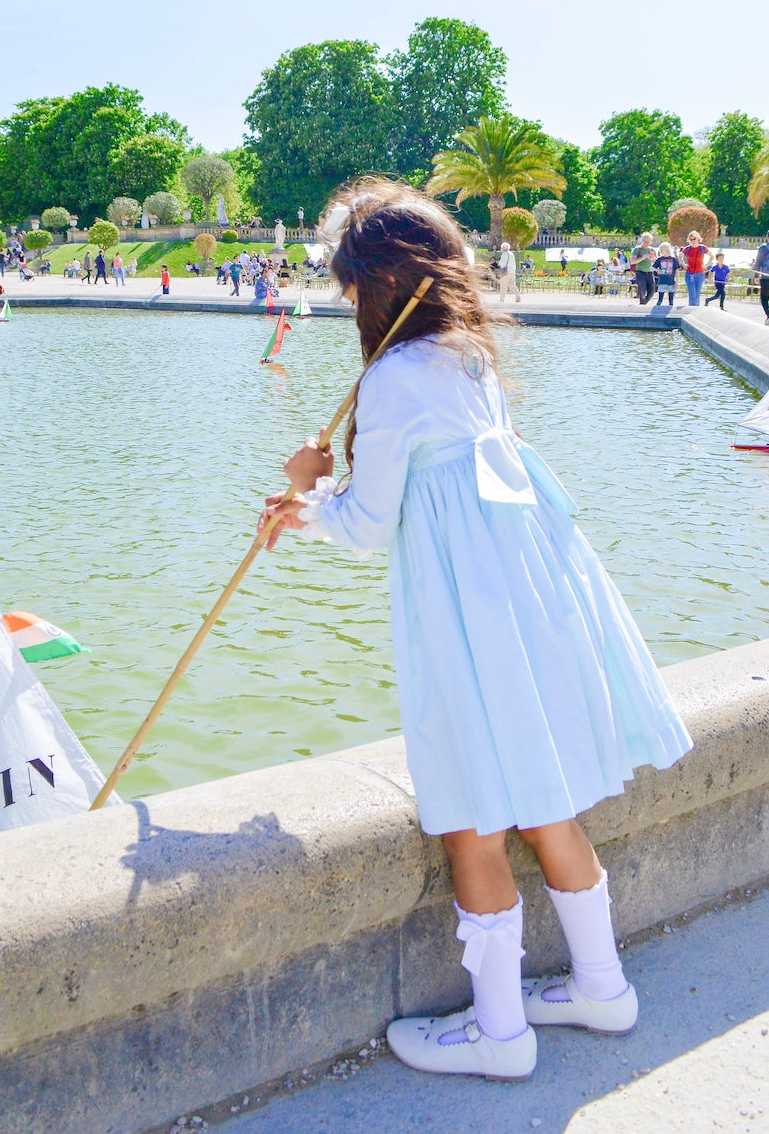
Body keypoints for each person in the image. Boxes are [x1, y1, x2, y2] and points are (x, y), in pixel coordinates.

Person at [260, 180, 692, 1083]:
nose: (344, 301)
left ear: (376, 285)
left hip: (462, 617)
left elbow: (372, 524)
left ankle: (500, 1034)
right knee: (548, 807)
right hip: (529, 599)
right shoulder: (470, 358)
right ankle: (601, 988)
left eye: (347, 286)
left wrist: (306, 497)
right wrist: (328, 480)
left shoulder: (389, 379)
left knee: (472, 825)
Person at [680, 231, 710, 306]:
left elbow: (712, 257)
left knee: (697, 293)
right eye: (691, 239)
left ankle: (696, 309)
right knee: (692, 293)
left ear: (698, 239)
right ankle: (691, 308)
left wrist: (706, 265)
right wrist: (684, 264)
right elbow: (680, 257)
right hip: (690, 274)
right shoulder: (687, 249)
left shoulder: (703, 248)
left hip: (700, 274)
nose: (693, 241)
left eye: (694, 239)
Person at [630, 233, 657, 306]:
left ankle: (643, 304)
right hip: (640, 272)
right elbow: (632, 261)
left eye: (648, 242)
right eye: (645, 241)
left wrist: (652, 258)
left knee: (651, 292)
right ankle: (642, 305)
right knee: (642, 291)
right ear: (642, 240)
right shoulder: (637, 249)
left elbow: (656, 261)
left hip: (649, 272)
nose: (646, 243)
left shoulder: (652, 250)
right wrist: (643, 257)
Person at [652, 243, 680, 307]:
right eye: (660, 249)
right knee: (660, 300)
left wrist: (677, 282)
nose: (661, 251)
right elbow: (652, 268)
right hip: (662, 281)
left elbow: (677, 271)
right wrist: (657, 270)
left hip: (671, 282)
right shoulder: (659, 259)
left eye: (663, 249)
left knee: (671, 300)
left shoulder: (674, 259)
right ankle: (657, 311)